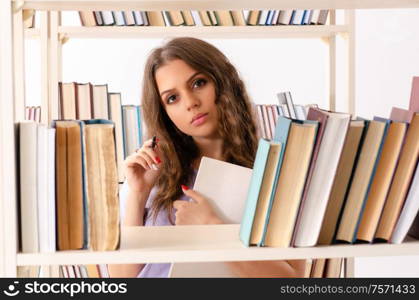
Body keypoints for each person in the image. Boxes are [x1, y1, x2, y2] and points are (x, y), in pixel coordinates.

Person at [108, 37, 306, 278]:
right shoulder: (153, 176)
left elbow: (292, 281)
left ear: (223, 83)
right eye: (173, 98)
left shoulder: (273, 175)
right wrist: (138, 193)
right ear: (165, 113)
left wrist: (212, 229)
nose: (191, 103)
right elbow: (121, 279)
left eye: (198, 83)